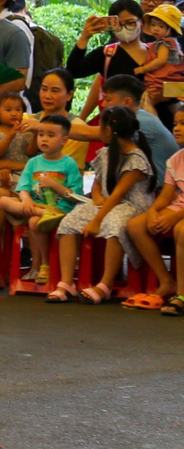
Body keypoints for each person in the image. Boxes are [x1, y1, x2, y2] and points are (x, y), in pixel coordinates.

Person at [50, 105, 153, 304]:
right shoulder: (106, 153)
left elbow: (118, 194)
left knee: (113, 225)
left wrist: (98, 219)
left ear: (107, 130)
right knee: (70, 221)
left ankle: (105, 284)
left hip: (132, 207)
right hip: (107, 204)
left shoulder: (136, 158)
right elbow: (98, 183)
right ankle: (66, 282)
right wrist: (97, 199)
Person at [0, 114, 80, 286]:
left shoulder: (69, 163)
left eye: (51, 136)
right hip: (36, 206)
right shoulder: (33, 162)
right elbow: (23, 188)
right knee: (2, 200)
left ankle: (44, 263)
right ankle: (42, 213)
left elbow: (74, 195)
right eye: (41, 134)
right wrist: (26, 200)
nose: (44, 139)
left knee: (35, 222)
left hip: (60, 210)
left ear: (64, 140)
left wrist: (54, 185)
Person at [125, 106, 184, 309]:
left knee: (181, 230)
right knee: (135, 226)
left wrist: (174, 218)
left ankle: (181, 296)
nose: (177, 129)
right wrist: (153, 212)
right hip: (178, 206)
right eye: (175, 124)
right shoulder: (175, 160)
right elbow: (167, 195)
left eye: (183, 124)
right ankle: (167, 281)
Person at [66, 0, 146, 115]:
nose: (124, 29)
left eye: (130, 23)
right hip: (117, 121)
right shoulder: (107, 54)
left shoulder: (157, 53)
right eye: (118, 24)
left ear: (141, 22)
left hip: (155, 121)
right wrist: (85, 37)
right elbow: (74, 71)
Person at [136, 3, 184, 101]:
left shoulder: (164, 43)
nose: (156, 28)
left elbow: (160, 61)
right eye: (153, 25)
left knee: (146, 102)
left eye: (161, 26)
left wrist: (143, 69)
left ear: (171, 29)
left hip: (162, 81)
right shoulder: (172, 42)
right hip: (172, 83)